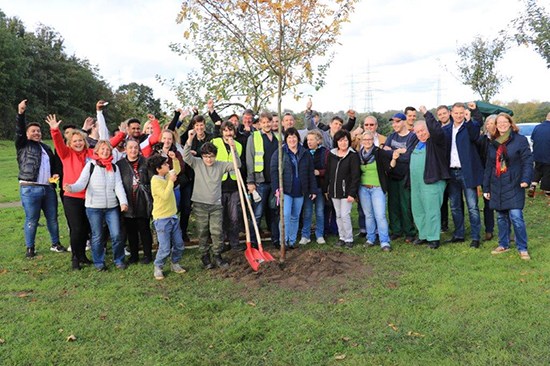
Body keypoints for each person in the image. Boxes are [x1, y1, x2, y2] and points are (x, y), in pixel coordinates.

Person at [47, 108, 126, 269]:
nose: (78, 143)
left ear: (85, 141)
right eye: (75, 141)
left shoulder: (91, 153)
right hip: (72, 196)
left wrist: (122, 134)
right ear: (70, 143)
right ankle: (75, 258)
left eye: (80, 140)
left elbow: (106, 146)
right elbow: (58, 143)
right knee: (76, 229)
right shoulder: (66, 153)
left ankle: (83, 255)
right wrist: (54, 130)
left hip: (90, 197)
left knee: (86, 229)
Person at [64, 141, 128, 271]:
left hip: (111, 207)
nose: (105, 152)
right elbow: (81, 183)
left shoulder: (114, 168)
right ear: (97, 151)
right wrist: (71, 188)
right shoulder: (90, 166)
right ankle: (99, 262)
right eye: (102, 149)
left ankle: (119, 260)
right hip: (94, 208)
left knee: (116, 235)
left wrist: (123, 202)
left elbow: (118, 186)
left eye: (108, 150)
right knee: (97, 236)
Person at [16, 100, 66, 258]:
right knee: (32, 219)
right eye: (33, 131)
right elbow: (19, 130)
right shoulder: (23, 145)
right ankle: (30, 248)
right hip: (30, 188)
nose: (36, 133)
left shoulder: (46, 148)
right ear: (27, 133)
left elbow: (55, 163)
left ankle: (55, 243)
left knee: (52, 218)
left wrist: (56, 173)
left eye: (38, 131)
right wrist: (20, 114)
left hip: (48, 188)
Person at [183, 129, 240, 269]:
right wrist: (190, 139)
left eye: (211, 156)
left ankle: (217, 255)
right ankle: (204, 256)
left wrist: (233, 147)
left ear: (215, 156)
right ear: (202, 156)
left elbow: (237, 164)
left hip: (215, 204)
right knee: (202, 231)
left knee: (216, 231)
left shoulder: (220, 165)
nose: (209, 159)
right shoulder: (197, 163)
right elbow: (185, 156)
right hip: (200, 204)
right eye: (206, 156)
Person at [483, 113, 533, 260]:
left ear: (511, 123)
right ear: (496, 125)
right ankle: (503, 244)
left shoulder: (520, 140)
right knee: (501, 217)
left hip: (514, 182)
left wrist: (525, 179)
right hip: (497, 184)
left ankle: (522, 247)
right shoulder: (493, 143)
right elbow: (489, 166)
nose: (502, 125)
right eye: (499, 123)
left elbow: (527, 162)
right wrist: (486, 187)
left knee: (516, 216)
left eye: (505, 122)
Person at [442, 102, 484, 248]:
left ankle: (475, 237)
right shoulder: (446, 130)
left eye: (461, 112)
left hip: (467, 172)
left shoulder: (469, 126)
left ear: (464, 113)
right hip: (452, 172)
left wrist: (471, 116)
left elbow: (475, 134)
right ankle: (458, 234)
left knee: (472, 206)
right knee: (455, 206)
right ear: (451, 113)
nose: (458, 115)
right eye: (456, 113)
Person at [408, 107, 451, 249]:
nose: (421, 134)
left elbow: (437, 130)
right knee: (418, 209)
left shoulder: (436, 141)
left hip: (432, 181)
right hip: (416, 183)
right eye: (418, 132)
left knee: (431, 209)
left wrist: (427, 114)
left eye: (423, 131)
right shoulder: (415, 143)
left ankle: (433, 238)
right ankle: (423, 235)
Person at [271, 128, 317, 248]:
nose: (292, 140)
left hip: (300, 190)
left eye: (294, 137)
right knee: (285, 215)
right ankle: (283, 241)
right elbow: (274, 171)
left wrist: (312, 189)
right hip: (285, 190)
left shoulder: (304, 153)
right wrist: (276, 188)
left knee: (295, 216)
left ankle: (291, 241)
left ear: (298, 138)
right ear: (286, 139)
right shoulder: (280, 152)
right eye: (289, 137)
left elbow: (310, 173)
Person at [146, 154, 187, 279]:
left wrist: (175, 159)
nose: (167, 165)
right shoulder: (155, 181)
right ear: (158, 169)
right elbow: (164, 195)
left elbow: (177, 170)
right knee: (164, 247)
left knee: (179, 244)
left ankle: (175, 263)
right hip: (161, 219)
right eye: (165, 164)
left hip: (173, 217)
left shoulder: (166, 176)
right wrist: (170, 182)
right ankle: (158, 266)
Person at [116, 140, 154, 265]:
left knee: (144, 228)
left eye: (136, 148)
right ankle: (134, 255)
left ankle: (147, 255)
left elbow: (152, 180)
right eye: (130, 147)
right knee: (131, 231)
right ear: (125, 149)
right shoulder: (120, 164)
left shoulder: (145, 162)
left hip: (142, 200)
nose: (133, 150)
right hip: (127, 201)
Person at [383, 112, 418, 243]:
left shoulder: (412, 137)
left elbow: (409, 156)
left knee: (406, 205)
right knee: (393, 205)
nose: (395, 124)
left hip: (405, 176)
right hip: (392, 175)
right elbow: (385, 154)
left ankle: (410, 231)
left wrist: (392, 151)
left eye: (397, 122)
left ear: (404, 122)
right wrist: (397, 152)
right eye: (393, 122)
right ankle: (396, 231)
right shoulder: (391, 136)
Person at [246, 112, 280, 248]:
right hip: (260, 182)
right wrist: (250, 181)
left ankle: (276, 240)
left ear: (272, 123)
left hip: (275, 182)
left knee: (275, 213)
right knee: (258, 214)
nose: (266, 124)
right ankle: (254, 242)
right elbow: (250, 160)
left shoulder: (277, 138)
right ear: (260, 124)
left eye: (269, 122)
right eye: (264, 122)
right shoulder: (254, 137)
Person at [211, 122, 246, 251]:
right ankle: (221, 243)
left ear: (234, 132)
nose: (228, 133)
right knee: (221, 217)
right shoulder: (215, 142)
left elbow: (240, 164)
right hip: (219, 185)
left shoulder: (239, 146)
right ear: (222, 132)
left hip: (234, 186)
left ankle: (234, 243)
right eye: (225, 131)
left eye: (230, 130)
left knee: (234, 217)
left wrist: (234, 148)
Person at [323, 130, 361, 249]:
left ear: (349, 141)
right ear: (336, 142)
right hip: (334, 191)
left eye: (345, 140)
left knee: (345, 215)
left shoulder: (353, 155)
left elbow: (356, 176)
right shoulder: (332, 155)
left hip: (347, 192)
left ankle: (349, 238)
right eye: (340, 140)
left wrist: (352, 193)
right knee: (338, 215)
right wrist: (326, 189)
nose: (343, 143)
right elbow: (328, 173)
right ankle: (342, 237)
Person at [357, 130, 392, 251]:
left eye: (369, 139)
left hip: (377, 188)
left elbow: (390, 162)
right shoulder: (359, 154)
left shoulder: (379, 152)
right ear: (362, 141)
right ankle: (370, 238)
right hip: (363, 188)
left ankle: (384, 241)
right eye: (365, 140)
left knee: (380, 215)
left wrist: (395, 157)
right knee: (368, 215)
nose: (367, 142)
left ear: (373, 140)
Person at [299, 130, 328, 245]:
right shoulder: (304, 152)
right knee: (307, 212)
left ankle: (319, 234)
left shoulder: (325, 153)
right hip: (308, 188)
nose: (309, 142)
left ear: (318, 140)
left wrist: (319, 172)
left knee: (320, 211)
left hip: (320, 186)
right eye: (308, 139)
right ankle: (305, 235)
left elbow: (329, 169)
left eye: (311, 139)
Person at [476, 115, 498, 242]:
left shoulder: (503, 139)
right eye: (488, 123)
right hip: (487, 176)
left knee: (505, 203)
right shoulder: (482, 140)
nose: (490, 125)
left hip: (502, 176)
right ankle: (489, 230)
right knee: (488, 204)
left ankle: (508, 230)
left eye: (492, 123)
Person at [436, 105, 452, 232]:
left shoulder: (455, 127)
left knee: (456, 199)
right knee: (442, 198)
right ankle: (443, 224)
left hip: (453, 166)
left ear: (449, 113)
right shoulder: (436, 129)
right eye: (440, 114)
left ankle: (459, 225)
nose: (442, 116)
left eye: (444, 113)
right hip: (441, 168)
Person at [528, 112, 550, 200]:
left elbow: (532, 140)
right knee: (548, 173)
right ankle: (547, 191)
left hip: (537, 154)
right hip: (548, 155)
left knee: (538, 170)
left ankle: (533, 185)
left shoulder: (537, 127)